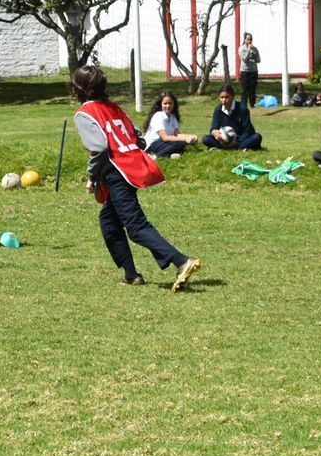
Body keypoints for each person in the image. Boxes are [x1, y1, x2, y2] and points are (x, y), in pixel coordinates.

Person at [71, 64, 200, 290]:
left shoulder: (84, 114)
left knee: (136, 226)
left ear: (78, 89)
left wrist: (92, 175)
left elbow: (99, 147)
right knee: (109, 223)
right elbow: (138, 138)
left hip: (117, 173)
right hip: (132, 169)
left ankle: (182, 261)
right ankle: (131, 275)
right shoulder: (114, 107)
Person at [201, 84, 262, 151]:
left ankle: (231, 147)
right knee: (205, 139)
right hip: (224, 140)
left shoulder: (242, 108)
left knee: (257, 137)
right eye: (222, 97)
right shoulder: (218, 110)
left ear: (232, 97)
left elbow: (248, 130)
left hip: (240, 139)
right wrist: (215, 133)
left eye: (227, 97)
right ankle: (239, 147)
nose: (224, 100)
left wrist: (235, 141)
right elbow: (214, 128)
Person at [143, 91, 196, 157]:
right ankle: (156, 156)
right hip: (153, 145)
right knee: (179, 143)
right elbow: (165, 137)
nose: (168, 106)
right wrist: (185, 139)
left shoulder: (173, 117)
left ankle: (170, 154)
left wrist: (190, 136)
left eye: (170, 103)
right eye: (165, 103)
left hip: (164, 143)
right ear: (161, 104)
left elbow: (176, 135)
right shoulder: (158, 116)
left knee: (181, 143)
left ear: (174, 104)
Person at [238, 32, 262, 108]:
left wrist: (254, 55)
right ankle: (243, 105)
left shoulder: (255, 49)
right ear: (245, 40)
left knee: (252, 89)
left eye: (251, 39)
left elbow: (258, 60)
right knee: (244, 89)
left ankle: (253, 104)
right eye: (248, 39)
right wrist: (248, 50)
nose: (250, 41)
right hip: (245, 71)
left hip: (253, 71)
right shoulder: (241, 49)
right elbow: (245, 60)